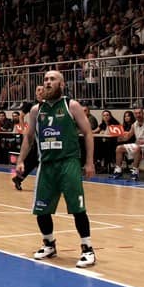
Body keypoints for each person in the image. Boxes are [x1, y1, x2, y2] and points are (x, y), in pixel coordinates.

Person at [16, 70, 97, 268]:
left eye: (52, 79)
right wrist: (20, 160)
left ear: (62, 84)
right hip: (46, 164)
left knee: (77, 208)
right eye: (45, 79)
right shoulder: (36, 110)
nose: (47, 82)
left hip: (68, 162)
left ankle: (87, 249)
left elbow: (88, 133)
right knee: (41, 209)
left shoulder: (71, 105)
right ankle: (49, 244)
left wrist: (89, 162)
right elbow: (28, 137)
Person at [11, 85, 45, 190]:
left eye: (42, 90)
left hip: (45, 135)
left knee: (34, 159)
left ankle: (18, 178)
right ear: (35, 92)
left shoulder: (47, 104)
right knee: (35, 158)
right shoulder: (31, 105)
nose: (40, 92)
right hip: (34, 136)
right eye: (38, 90)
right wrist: (23, 130)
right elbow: (21, 116)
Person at [112, 108, 144, 181]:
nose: (138, 115)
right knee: (119, 148)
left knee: (137, 148)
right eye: (136, 113)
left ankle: (135, 172)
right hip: (139, 145)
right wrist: (120, 138)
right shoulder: (134, 125)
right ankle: (118, 171)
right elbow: (127, 137)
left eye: (139, 113)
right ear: (134, 115)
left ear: (143, 113)